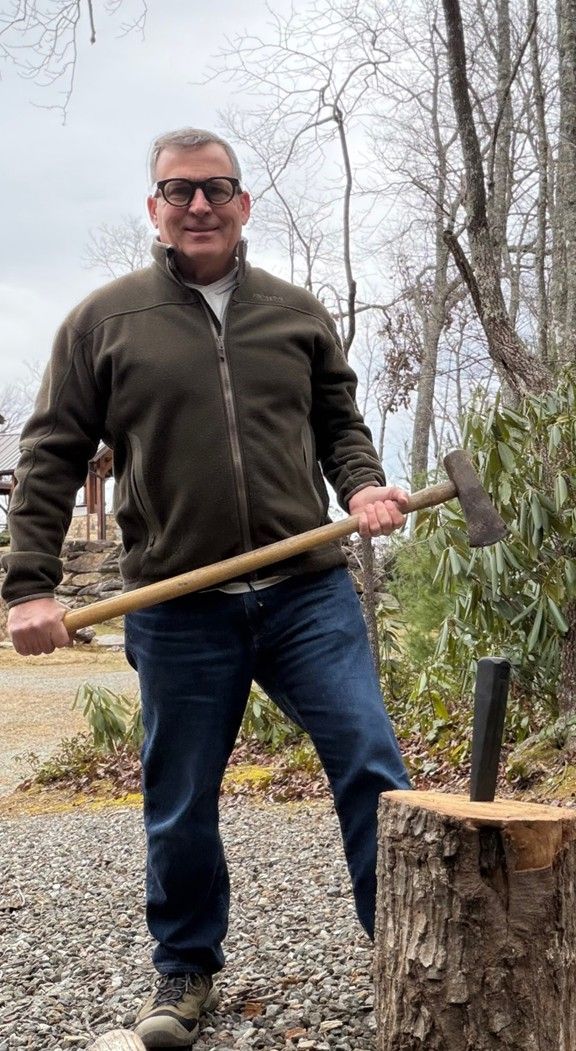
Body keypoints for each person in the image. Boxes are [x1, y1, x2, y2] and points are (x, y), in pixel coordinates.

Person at [3, 128, 411, 1048]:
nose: (199, 205)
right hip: (179, 601)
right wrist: (28, 586)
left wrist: (362, 486)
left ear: (244, 204)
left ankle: (408, 953)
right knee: (180, 794)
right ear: (153, 208)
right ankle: (185, 969)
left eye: (217, 188)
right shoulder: (103, 322)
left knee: (371, 763)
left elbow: (340, 425)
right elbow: (49, 458)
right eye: (178, 190)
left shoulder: (298, 314)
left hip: (307, 592)